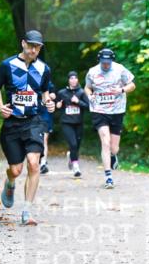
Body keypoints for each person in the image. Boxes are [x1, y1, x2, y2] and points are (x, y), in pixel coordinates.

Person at [0, 30, 56, 226]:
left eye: (37, 47)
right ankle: (10, 183)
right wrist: (1, 106)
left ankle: (27, 211)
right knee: (16, 169)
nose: (33, 50)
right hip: (12, 123)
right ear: (23, 44)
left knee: (34, 163)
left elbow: (44, 92)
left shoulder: (44, 69)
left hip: (34, 121)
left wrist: (49, 102)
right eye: (31, 45)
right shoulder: (7, 65)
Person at [85, 48, 135, 189]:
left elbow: (132, 85)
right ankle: (108, 177)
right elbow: (87, 88)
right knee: (105, 142)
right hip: (99, 110)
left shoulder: (120, 70)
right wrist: (90, 96)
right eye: (103, 62)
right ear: (99, 60)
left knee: (114, 148)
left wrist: (121, 90)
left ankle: (113, 155)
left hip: (117, 111)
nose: (106, 65)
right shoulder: (92, 72)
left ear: (112, 60)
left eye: (108, 62)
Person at [56, 71, 90, 178]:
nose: (73, 80)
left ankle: (71, 157)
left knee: (77, 145)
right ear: (68, 80)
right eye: (71, 78)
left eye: (75, 78)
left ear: (78, 80)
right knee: (73, 144)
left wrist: (78, 102)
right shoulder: (62, 92)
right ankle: (76, 167)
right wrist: (58, 105)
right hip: (66, 123)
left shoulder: (81, 92)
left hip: (78, 123)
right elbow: (57, 105)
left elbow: (88, 106)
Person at [38, 79, 55, 175]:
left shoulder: (49, 83)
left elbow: (54, 95)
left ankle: (43, 163)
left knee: (44, 139)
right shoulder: (30, 81)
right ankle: (37, 160)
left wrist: (50, 96)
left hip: (45, 115)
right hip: (33, 114)